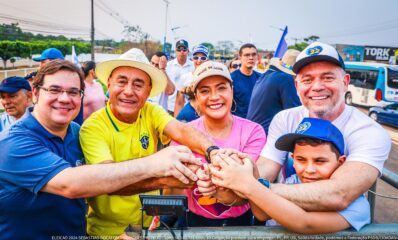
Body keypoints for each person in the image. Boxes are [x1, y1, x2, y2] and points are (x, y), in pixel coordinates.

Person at [0, 60, 202, 239]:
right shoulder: (12, 143)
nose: (64, 98)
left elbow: (102, 179)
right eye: (54, 90)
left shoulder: (75, 133)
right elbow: (70, 185)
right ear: (34, 93)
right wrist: (156, 164)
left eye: (72, 92)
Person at [79, 48, 220, 237]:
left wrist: (212, 151)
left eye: (138, 84)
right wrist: (166, 179)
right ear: (109, 84)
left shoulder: (149, 110)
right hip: (108, 230)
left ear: (148, 91)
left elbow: (180, 130)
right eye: (122, 81)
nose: (128, 91)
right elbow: (108, 181)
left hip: (150, 224)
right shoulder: (93, 127)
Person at [252, 42, 391, 214]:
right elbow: (266, 166)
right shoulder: (285, 119)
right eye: (307, 79)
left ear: (345, 82)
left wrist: (257, 188)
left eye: (327, 78)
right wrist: (234, 173)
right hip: (281, 225)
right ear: (297, 86)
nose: (317, 87)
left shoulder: (369, 131)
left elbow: (339, 193)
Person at [211, 118, 370, 233]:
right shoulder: (292, 181)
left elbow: (305, 224)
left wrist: (250, 184)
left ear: (341, 162)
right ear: (293, 160)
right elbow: (261, 213)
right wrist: (249, 166)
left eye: (320, 161)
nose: (309, 169)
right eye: (301, 159)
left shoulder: (357, 205)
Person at [167, 61, 266, 227]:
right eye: (205, 91)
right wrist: (187, 178)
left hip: (241, 224)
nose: (214, 97)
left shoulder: (252, 131)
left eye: (221, 88)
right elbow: (172, 193)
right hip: (194, 222)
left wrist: (207, 176)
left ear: (232, 91)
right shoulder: (184, 133)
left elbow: (255, 183)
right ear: (196, 97)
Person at [247, 49, 301, 135]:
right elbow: (295, 113)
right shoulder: (286, 78)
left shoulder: (265, 76)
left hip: (253, 133)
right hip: (267, 136)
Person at [174, 44, 209, 118]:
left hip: (207, 116)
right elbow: (179, 103)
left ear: (207, 60)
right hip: (189, 116)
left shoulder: (211, 77)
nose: (199, 61)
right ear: (192, 59)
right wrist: (176, 122)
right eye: (196, 58)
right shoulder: (185, 77)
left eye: (203, 58)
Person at [231, 43, 261, 118]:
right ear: (240, 57)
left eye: (254, 54)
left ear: (257, 57)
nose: (251, 58)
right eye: (247, 55)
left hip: (257, 123)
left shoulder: (261, 78)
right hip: (238, 123)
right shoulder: (231, 79)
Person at [166, 39, 194, 115]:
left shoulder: (193, 66)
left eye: (184, 49)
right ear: (175, 51)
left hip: (188, 106)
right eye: (179, 49)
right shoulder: (168, 66)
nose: (182, 52)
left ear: (188, 51)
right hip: (170, 106)